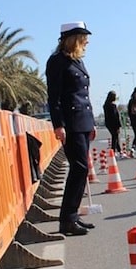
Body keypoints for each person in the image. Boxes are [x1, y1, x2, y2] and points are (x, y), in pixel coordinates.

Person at [45, 21, 96, 236]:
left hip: (83, 122)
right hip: (71, 123)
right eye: (83, 38)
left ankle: (72, 217)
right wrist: (58, 124)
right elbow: (54, 96)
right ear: (73, 39)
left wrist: (91, 122)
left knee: (81, 170)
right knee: (79, 168)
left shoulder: (78, 62)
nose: (86, 42)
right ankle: (66, 220)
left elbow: (84, 94)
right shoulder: (57, 61)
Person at [103, 90, 122, 156]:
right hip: (114, 124)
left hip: (108, 123)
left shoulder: (105, 105)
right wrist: (119, 125)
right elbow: (115, 116)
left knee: (115, 136)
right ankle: (113, 151)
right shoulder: (113, 105)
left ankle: (119, 150)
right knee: (115, 137)